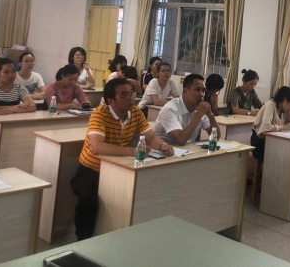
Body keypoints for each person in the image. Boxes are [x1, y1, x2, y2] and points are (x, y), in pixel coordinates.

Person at [70, 78, 174, 240]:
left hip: (120, 168)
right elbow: (97, 147)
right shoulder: (100, 113)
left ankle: (120, 237)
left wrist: (163, 146)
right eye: (124, 95)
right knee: (88, 202)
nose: (131, 98)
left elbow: (151, 137)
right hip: (92, 169)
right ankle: (82, 240)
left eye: (131, 93)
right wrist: (133, 151)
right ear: (111, 101)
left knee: (134, 198)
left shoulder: (136, 113)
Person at [250, 86, 290, 217]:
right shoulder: (270, 106)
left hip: (277, 143)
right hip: (260, 143)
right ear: (285, 100)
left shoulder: (286, 110)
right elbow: (265, 128)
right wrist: (284, 127)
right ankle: (282, 199)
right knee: (284, 162)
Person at [154, 73, 219, 145]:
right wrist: (199, 115)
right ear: (185, 91)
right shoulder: (170, 109)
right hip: (163, 149)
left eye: (203, 91)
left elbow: (216, 136)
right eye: (197, 90)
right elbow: (181, 140)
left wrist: (210, 114)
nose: (202, 94)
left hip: (187, 149)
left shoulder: (200, 108)